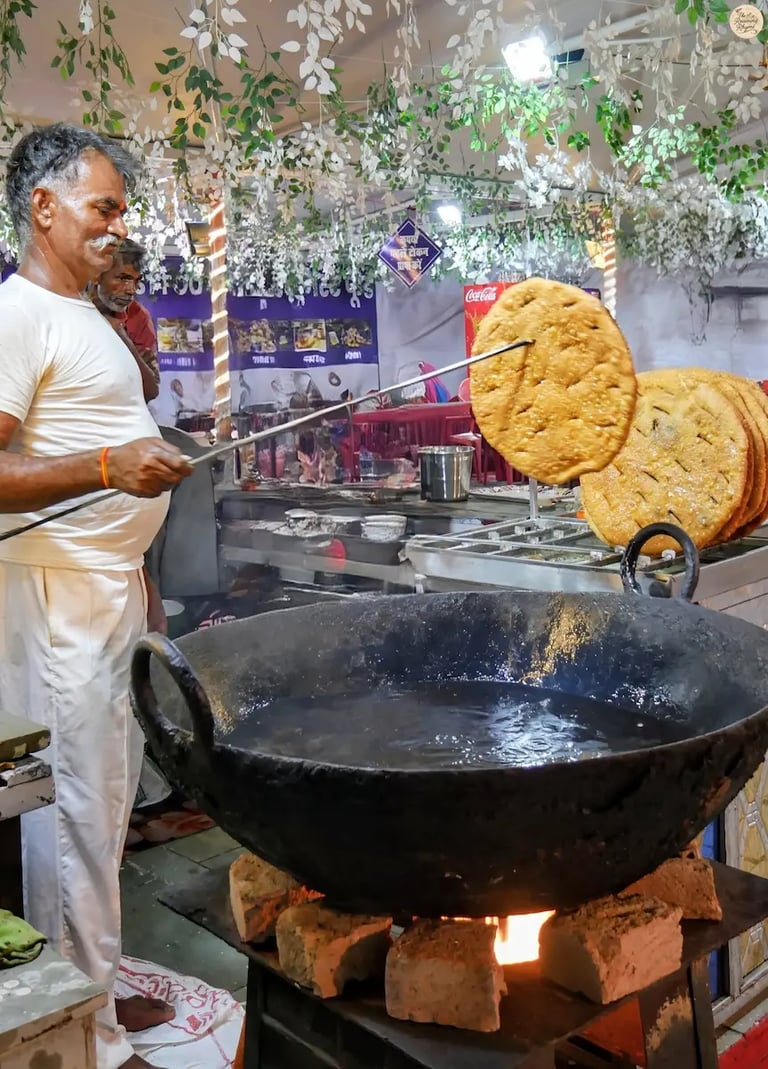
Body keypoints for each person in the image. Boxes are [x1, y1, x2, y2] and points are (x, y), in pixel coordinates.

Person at [0, 122, 193, 1069]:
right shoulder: (16, 313)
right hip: (56, 595)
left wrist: (138, 530)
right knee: (71, 810)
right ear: (44, 206)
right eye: (104, 207)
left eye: (122, 209)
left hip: (108, 587)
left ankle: (96, 993)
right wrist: (111, 464)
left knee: (105, 799)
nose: (121, 225)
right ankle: (86, 1041)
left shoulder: (86, 313)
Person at [93, 237, 160, 403]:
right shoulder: (71, 308)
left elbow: (150, 391)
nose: (131, 290)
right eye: (122, 278)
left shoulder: (140, 318)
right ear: (96, 275)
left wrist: (120, 335)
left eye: (136, 281)